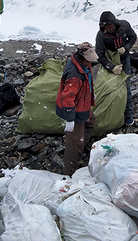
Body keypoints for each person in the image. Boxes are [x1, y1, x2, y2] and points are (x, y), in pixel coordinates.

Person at [55, 42, 99, 176]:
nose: (90, 63)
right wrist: (70, 119)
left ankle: (81, 145)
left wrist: (90, 94)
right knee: (74, 144)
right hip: (75, 110)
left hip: (82, 105)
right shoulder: (74, 75)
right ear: (81, 58)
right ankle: (69, 174)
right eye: (88, 60)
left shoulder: (83, 65)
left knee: (91, 122)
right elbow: (67, 98)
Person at [95, 11, 137, 125]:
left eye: (109, 27)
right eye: (105, 27)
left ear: (114, 24)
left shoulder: (124, 26)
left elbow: (133, 37)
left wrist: (126, 48)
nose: (108, 29)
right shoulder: (101, 35)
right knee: (109, 86)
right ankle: (110, 115)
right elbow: (99, 54)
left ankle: (128, 115)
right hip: (110, 60)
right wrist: (112, 67)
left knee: (126, 87)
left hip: (124, 59)